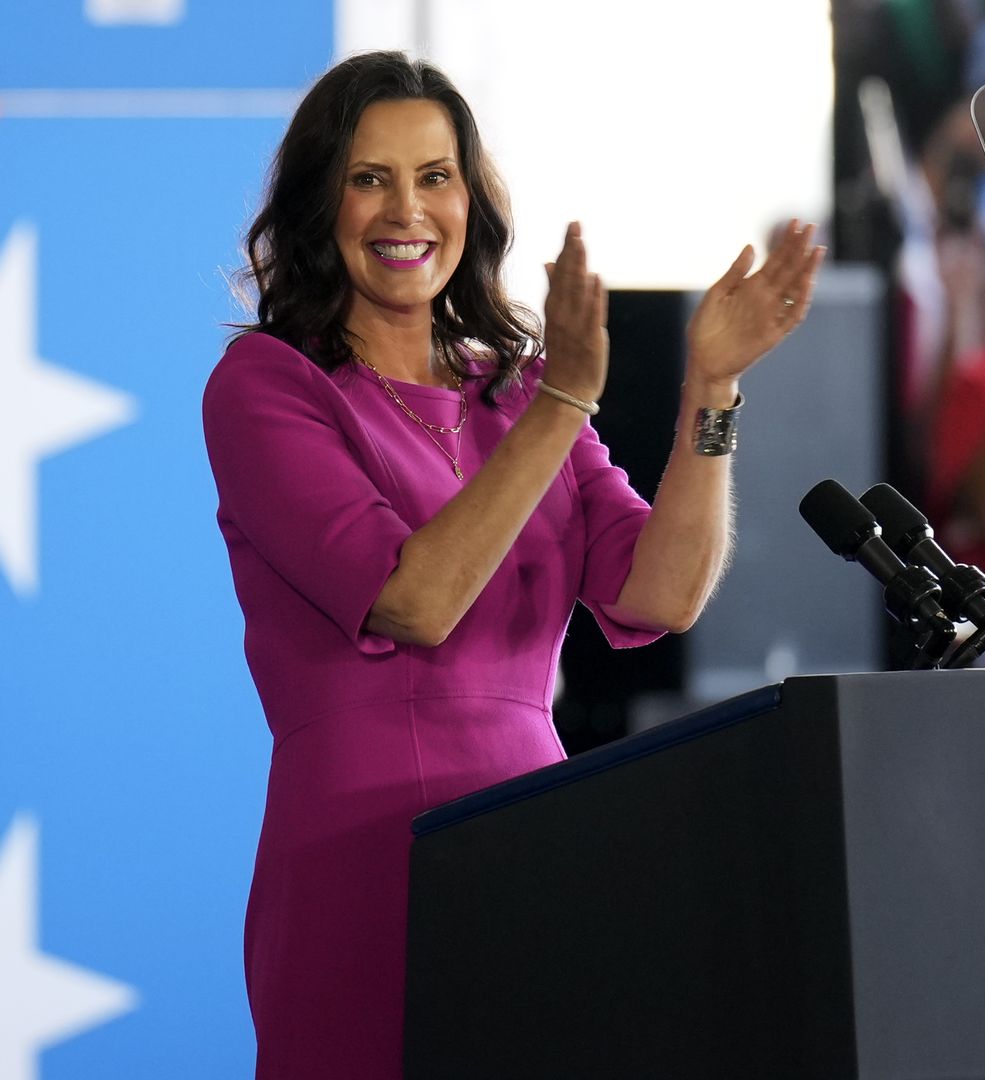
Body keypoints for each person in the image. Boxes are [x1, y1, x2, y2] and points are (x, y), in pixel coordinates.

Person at [202, 53, 824, 1078]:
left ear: (470, 199)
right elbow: (415, 599)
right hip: (358, 858)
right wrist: (563, 403)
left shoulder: (518, 394)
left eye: (434, 176)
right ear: (322, 201)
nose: (407, 209)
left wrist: (709, 387)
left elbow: (660, 592)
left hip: (541, 843)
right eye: (370, 178)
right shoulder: (268, 385)